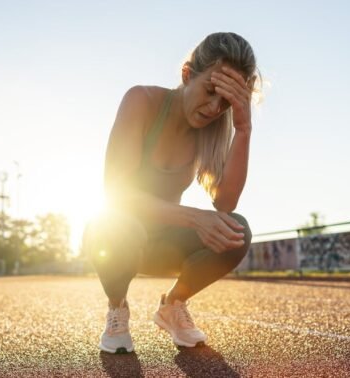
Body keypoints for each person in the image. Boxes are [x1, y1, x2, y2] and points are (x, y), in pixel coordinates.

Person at [82, 32, 260, 354]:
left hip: (163, 245)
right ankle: (117, 307)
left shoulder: (213, 129)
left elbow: (226, 203)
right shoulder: (142, 101)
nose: (214, 108)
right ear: (187, 74)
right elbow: (116, 193)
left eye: (226, 102)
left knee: (237, 230)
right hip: (117, 238)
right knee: (115, 225)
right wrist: (194, 218)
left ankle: (173, 304)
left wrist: (244, 129)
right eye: (210, 91)